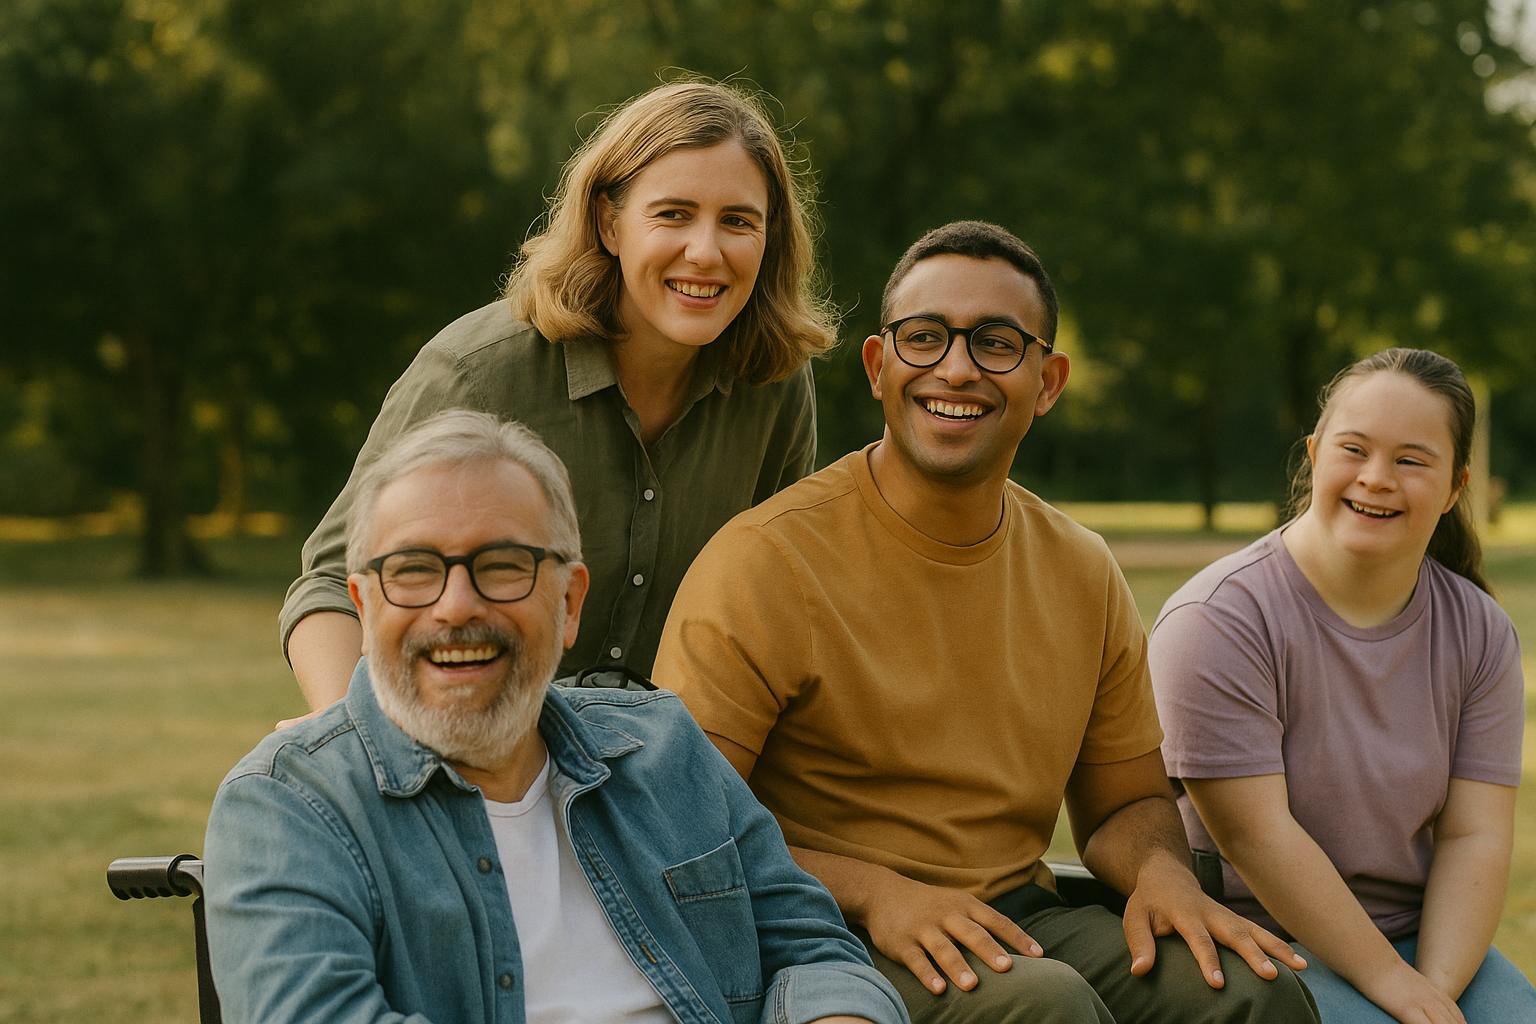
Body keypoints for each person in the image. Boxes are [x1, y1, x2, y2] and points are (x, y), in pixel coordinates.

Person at [654, 221, 1317, 1023]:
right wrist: (878, 894)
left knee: (1252, 994)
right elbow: (683, 829)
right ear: (878, 365)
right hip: (825, 934)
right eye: (925, 338)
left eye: (996, 342)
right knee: (1044, 1008)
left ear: (1047, 381)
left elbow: (1123, 809)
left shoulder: (1081, 568)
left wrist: (1162, 874)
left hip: (1019, 917)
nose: (956, 368)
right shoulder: (765, 561)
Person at [205, 410, 908, 1024]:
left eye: (503, 565)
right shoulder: (286, 808)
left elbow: (813, 945)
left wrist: (839, 1014)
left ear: (570, 602)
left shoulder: (662, 747)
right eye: (414, 569)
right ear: (363, 606)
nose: (455, 608)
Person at [280, 79, 834, 717]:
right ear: (609, 222)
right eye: (673, 214)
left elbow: (774, 600)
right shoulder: (475, 375)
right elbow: (331, 583)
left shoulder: (775, 385)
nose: (705, 252)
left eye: (738, 221)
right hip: (482, 749)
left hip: (676, 765)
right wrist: (344, 740)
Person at [1149, 348, 1533, 1024]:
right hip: (1257, 940)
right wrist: (1395, 989)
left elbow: (1475, 837)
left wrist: (1433, 992)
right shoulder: (1218, 619)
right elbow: (1260, 838)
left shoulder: (1482, 631)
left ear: (1453, 488)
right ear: (1316, 454)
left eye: (1412, 461)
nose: (1378, 478)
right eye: (1354, 449)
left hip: (1416, 938)